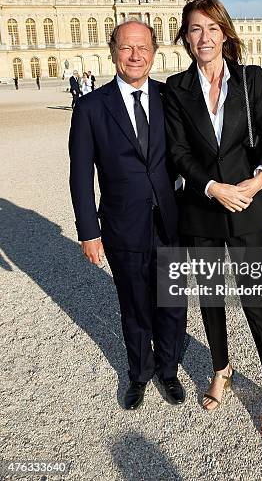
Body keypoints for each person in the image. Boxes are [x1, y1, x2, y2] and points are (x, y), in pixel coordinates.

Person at [165, 0, 262, 439]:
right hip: (202, 207)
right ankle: (222, 367)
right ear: (186, 38)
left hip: (249, 206)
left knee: (256, 300)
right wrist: (213, 187)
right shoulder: (176, 90)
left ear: (225, 33)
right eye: (195, 29)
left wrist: (255, 182)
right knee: (211, 299)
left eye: (212, 28)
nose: (205, 37)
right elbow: (178, 153)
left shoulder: (251, 80)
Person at [69, 20, 187, 411]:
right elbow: (81, 174)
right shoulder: (90, 107)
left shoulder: (170, 97)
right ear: (112, 50)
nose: (135, 56)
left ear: (154, 52)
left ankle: (168, 369)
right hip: (122, 224)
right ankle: (139, 372)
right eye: (126, 48)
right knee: (134, 304)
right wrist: (89, 231)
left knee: (172, 302)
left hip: (171, 221)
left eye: (143, 48)